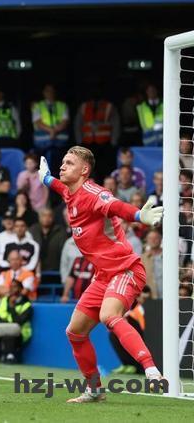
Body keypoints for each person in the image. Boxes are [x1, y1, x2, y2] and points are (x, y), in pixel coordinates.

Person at [38, 145, 165, 402]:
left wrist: (138, 215)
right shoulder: (70, 191)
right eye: (62, 162)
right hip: (103, 275)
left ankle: (152, 371)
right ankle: (94, 389)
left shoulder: (94, 193)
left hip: (125, 269)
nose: (62, 166)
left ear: (84, 170)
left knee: (109, 316)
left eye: (69, 163)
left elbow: (116, 206)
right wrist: (46, 178)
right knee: (75, 332)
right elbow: (59, 186)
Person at [32, 84, 69, 172]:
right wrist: (51, 131)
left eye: (52, 91)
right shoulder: (38, 105)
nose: (50, 93)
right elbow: (38, 122)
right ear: (44, 93)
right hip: (42, 142)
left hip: (60, 141)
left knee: (60, 162)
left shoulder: (62, 105)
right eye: (47, 91)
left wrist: (54, 131)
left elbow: (65, 121)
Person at [29, 208, 68, 273]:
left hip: (56, 268)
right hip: (35, 269)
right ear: (39, 217)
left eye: (49, 216)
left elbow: (64, 251)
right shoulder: (32, 230)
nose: (47, 218)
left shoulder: (61, 231)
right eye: (44, 215)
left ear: (53, 218)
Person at [141, 229, 163, 299]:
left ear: (161, 239)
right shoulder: (142, 258)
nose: (153, 240)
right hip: (150, 298)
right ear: (146, 240)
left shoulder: (168, 256)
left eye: (156, 238)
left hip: (168, 296)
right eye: (150, 238)